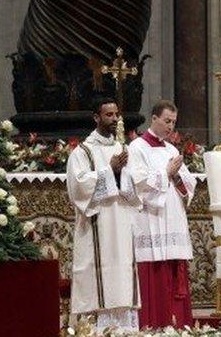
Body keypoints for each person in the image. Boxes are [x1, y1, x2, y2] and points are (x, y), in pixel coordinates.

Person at [65, 98, 141, 330]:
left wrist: (121, 175)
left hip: (121, 223)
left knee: (122, 279)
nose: (114, 119)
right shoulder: (82, 152)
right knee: (98, 282)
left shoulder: (122, 149)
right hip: (97, 225)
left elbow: (134, 186)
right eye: (108, 115)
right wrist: (111, 171)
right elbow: (78, 188)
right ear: (96, 118)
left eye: (116, 114)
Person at [128, 100, 195, 329]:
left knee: (174, 269)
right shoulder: (136, 148)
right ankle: (153, 324)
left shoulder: (171, 149)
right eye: (167, 121)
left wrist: (176, 177)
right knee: (155, 273)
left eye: (174, 122)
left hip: (172, 217)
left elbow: (187, 183)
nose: (170, 126)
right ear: (154, 118)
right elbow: (138, 183)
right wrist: (166, 172)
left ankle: (178, 326)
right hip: (150, 219)